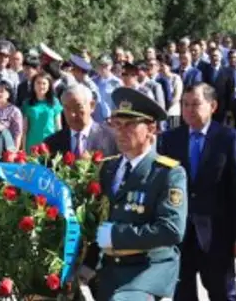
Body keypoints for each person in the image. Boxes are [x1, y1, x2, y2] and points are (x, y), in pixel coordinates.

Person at [80, 87, 187, 301]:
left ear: (151, 129)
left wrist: (117, 235)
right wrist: (87, 263)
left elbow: (172, 230)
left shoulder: (168, 173)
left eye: (130, 125)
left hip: (148, 270)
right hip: (111, 269)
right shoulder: (107, 169)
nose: (121, 131)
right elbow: (98, 221)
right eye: (117, 124)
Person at [159, 83, 236, 301]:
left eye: (196, 104)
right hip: (179, 234)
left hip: (217, 235)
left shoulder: (229, 138)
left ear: (213, 106)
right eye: (185, 104)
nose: (189, 110)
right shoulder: (170, 139)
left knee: (223, 293)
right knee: (181, 294)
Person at [43, 84, 119, 158]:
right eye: (67, 108)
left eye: (78, 107)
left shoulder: (112, 138)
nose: (72, 114)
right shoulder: (51, 143)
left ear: (92, 105)